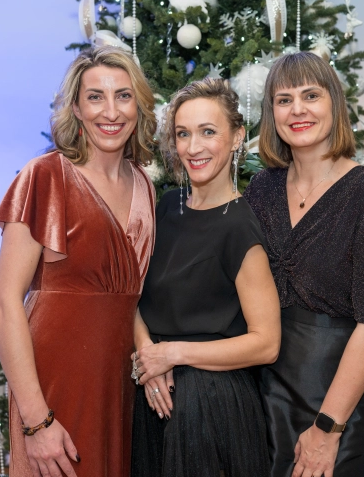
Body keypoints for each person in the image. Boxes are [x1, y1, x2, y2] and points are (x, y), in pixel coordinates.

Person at [0, 46, 157, 477]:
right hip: (54, 378)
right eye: (95, 97)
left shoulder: (144, 185)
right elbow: (5, 303)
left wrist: (148, 354)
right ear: (77, 109)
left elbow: (128, 299)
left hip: (117, 382)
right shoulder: (45, 176)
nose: (111, 111)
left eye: (123, 96)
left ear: (138, 105)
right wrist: (36, 420)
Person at [244, 52, 364, 477]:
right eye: (284, 100)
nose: (297, 109)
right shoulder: (261, 188)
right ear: (272, 113)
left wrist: (327, 429)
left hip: (336, 401)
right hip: (263, 394)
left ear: (334, 103)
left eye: (311, 95)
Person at [130, 77, 281, 477]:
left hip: (212, 407)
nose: (193, 147)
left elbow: (266, 344)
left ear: (237, 138)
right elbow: (132, 297)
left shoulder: (240, 226)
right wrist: (149, 357)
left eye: (208, 132)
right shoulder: (166, 206)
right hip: (153, 394)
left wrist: (172, 354)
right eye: (183, 134)